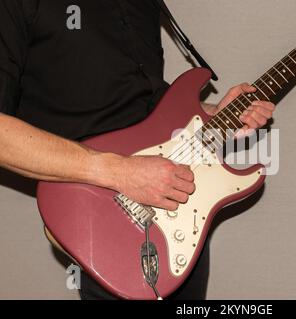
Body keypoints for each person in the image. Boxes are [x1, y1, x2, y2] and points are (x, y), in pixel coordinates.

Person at [0, 0, 275, 299]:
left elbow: (143, 103)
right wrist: (120, 172)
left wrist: (212, 114)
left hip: (177, 205)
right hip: (102, 214)